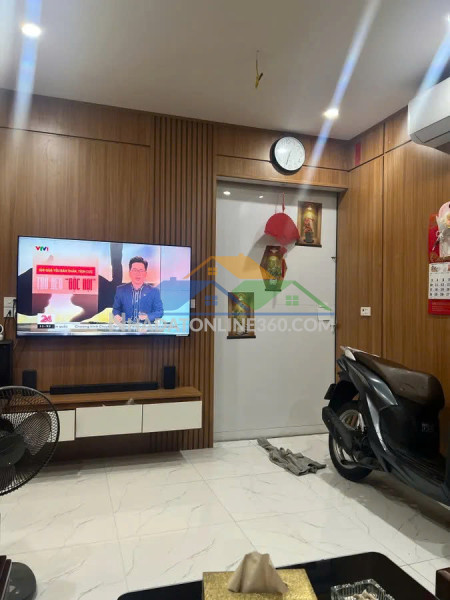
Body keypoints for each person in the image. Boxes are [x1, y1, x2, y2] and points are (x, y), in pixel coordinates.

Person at [112, 256, 163, 323]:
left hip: (145, 327)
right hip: (126, 327)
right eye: (135, 270)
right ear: (130, 272)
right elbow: (116, 309)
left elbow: (159, 312)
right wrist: (117, 315)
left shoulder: (154, 291)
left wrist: (147, 316)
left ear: (145, 273)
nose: (138, 273)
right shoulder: (120, 290)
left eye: (141, 270)